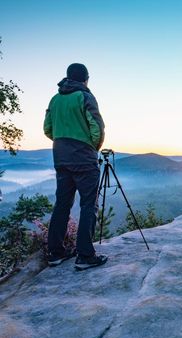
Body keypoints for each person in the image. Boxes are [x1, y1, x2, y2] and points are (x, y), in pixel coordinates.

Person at [43, 63, 108, 271]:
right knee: (89, 204)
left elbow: (47, 128)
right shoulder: (85, 96)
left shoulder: (55, 99)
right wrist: (91, 147)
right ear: (85, 79)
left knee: (62, 203)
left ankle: (55, 253)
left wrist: (63, 143)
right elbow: (97, 128)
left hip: (60, 156)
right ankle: (85, 255)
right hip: (83, 157)